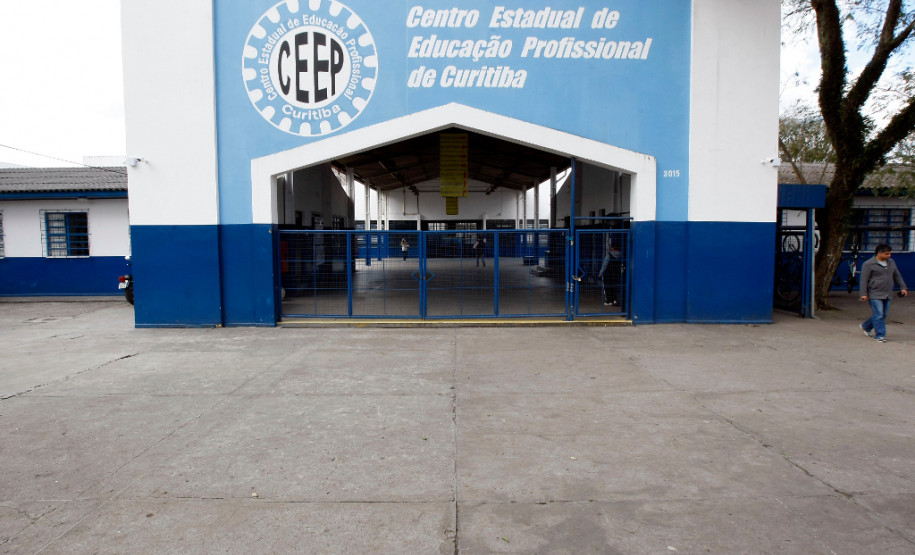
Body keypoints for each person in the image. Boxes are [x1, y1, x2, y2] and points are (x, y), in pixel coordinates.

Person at [859, 244, 908, 343]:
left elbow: (897, 275)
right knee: (879, 314)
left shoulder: (891, 262)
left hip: (887, 292)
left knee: (883, 314)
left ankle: (866, 326)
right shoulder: (869, 264)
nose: (889, 255)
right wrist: (863, 294)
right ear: (879, 253)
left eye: (890, 253)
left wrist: (903, 287)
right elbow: (864, 280)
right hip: (874, 292)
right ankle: (880, 335)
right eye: (886, 253)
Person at [597, 234, 622, 306]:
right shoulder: (621, 255)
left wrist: (601, 272)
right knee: (614, 287)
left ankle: (609, 300)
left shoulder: (609, 255)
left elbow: (605, 264)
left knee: (607, 287)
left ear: (613, 248)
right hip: (616, 273)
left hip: (608, 273)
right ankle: (614, 300)